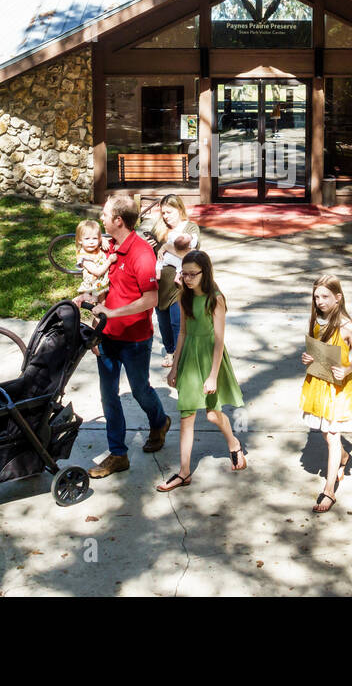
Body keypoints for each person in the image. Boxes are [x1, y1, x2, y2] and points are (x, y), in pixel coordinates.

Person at [82, 193, 172, 478]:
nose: (101, 218)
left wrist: (111, 313)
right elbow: (106, 288)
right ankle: (118, 454)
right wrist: (90, 305)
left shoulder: (141, 254)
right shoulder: (111, 249)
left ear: (118, 220)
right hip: (107, 336)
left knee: (140, 389)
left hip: (135, 339)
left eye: (105, 214)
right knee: (108, 395)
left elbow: (151, 299)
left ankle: (159, 421)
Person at [158, 250, 246, 491]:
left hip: (210, 359)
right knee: (186, 416)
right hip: (189, 359)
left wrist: (213, 376)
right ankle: (184, 472)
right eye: (183, 274)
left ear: (204, 272)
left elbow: (219, 340)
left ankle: (234, 443)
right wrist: (174, 366)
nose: (187, 278)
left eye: (192, 274)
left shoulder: (215, 298)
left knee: (211, 414)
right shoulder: (183, 297)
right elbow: (183, 332)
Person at [298, 275, 352, 513]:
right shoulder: (317, 321)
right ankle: (344, 456)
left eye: (325, 296)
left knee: (333, 434)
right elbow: (315, 350)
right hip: (319, 384)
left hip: (339, 388)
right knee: (326, 433)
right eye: (316, 297)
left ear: (338, 297)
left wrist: (347, 368)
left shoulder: (347, 327)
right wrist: (307, 358)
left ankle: (329, 490)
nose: (320, 301)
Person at [154, 195, 201, 370]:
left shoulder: (190, 228)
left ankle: (179, 354)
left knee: (177, 321)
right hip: (159, 286)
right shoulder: (159, 228)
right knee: (162, 321)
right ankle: (169, 351)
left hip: (180, 286)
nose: (166, 216)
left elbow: (191, 255)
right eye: (163, 212)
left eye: (169, 212)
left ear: (180, 209)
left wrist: (166, 247)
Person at [75, 219, 113, 301]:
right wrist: (109, 260)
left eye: (94, 238)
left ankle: (101, 311)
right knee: (99, 302)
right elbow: (98, 272)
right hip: (92, 287)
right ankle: (81, 299)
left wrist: (103, 239)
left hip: (101, 283)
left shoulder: (94, 247)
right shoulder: (84, 257)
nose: (91, 242)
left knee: (102, 302)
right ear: (80, 240)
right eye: (87, 239)